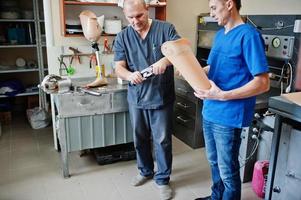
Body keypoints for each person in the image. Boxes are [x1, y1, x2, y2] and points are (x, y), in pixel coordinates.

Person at [194, 0, 270, 200]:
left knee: (227, 169)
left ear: (229, 4)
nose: (211, 13)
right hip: (210, 109)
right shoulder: (220, 35)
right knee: (213, 161)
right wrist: (195, 71)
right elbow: (214, 67)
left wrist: (222, 95)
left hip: (228, 115)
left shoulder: (249, 36)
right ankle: (216, 196)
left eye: (213, 7)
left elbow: (262, 83)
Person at [113, 0, 180, 199]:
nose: (135, 21)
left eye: (139, 16)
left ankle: (163, 179)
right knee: (140, 138)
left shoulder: (165, 29)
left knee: (162, 140)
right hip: (137, 97)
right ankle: (145, 171)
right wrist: (128, 75)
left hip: (161, 96)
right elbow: (118, 67)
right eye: (130, 17)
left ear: (147, 10)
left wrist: (165, 60)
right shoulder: (123, 37)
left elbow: (179, 51)